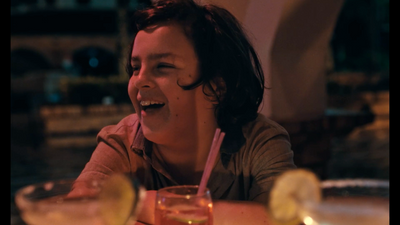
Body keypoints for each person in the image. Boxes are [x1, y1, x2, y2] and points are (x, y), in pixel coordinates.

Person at [71, 0, 296, 224]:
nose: (139, 81)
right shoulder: (122, 142)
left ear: (216, 86)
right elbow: (79, 208)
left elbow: (282, 218)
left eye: (163, 66)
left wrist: (135, 203)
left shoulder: (259, 142)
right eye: (136, 68)